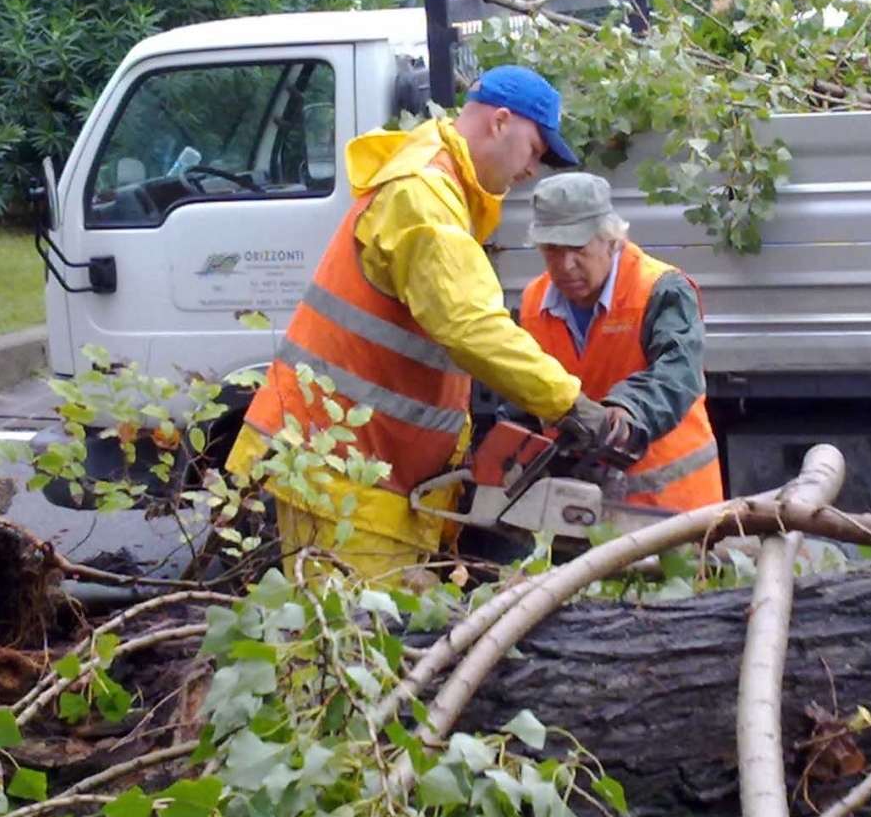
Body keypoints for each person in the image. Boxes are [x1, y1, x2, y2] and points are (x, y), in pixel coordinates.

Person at [224, 65, 622, 579]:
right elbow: (471, 325)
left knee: (375, 644)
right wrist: (571, 404)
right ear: (500, 122)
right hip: (344, 477)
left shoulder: (438, 187)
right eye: (534, 149)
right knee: (348, 649)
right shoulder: (425, 199)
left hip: (359, 471)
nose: (533, 169)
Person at [516, 172, 724, 511]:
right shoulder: (530, 304)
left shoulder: (661, 289)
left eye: (578, 248)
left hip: (670, 512)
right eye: (552, 250)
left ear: (612, 240)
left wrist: (623, 414)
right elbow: (518, 397)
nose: (566, 265)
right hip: (574, 512)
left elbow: (677, 376)